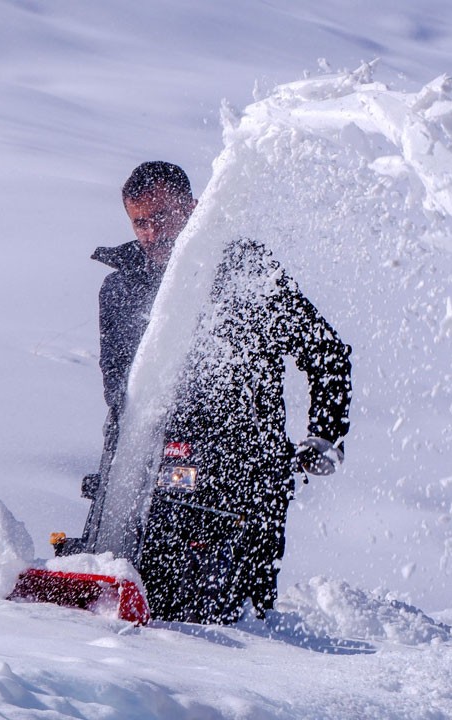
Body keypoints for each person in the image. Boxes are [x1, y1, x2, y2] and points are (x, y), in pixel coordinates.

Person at [89, 161, 353, 623]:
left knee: (237, 623)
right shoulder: (120, 287)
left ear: (193, 209)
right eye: (140, 222)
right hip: (142, 467)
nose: (152, 233)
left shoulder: (246, 273)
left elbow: (326, 352)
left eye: (163, 216)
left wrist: (323, 435)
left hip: (245, 480)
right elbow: (118, 385)